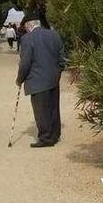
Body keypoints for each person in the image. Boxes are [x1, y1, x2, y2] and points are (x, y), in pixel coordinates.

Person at [16, 18, 66, 148]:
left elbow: (25, 62)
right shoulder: (53, 34)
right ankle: (55, 134)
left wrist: (20, 79)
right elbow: (62, 57)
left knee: (41, 110)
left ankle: (45, 138)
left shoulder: (27, 39)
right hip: (53, 78)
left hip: (36, 79)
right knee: (54, 107)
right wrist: (58, 72)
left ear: (28, 25)